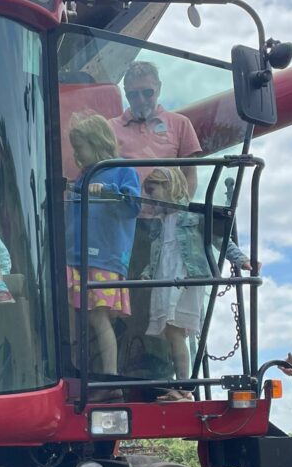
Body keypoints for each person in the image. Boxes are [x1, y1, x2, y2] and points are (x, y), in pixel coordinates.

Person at [140, 166, 251, 400]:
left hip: (186, 277)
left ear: (169, 186)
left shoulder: (193, 215)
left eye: (153, 190)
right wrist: (148, 272)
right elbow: (156, 254)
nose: (151, 197)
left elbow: (219, 239)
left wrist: (241, 259)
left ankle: (183, 387)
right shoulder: (159, 224)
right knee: (172, 334)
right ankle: (182, 385)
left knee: (175, 331)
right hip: (166, 278)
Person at [65, 114, 141, 383]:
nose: (76, 154)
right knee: (71, 317)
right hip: (74, 256)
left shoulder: (123, 171)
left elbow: (133, 206)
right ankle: (71, 369)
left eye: (80, 147)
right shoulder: (82, 177)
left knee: (99, 317)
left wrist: (109, 191)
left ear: (97, 143)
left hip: (105, 258)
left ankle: (110, 374)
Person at [110, 61, 201, 195]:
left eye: (147, 92)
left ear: (159, 88)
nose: (141, 100)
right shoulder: (109, 128)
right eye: (133, 95)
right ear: (126, 93)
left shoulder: (181, 124)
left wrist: (180, 209)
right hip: (124, 213)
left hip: (165, 213)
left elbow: (189, 174)